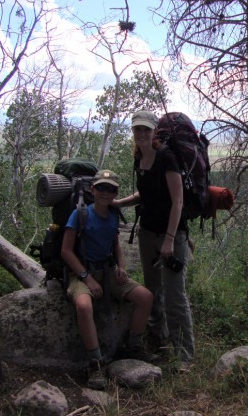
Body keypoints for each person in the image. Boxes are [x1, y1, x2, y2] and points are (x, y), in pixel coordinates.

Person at [61, 169, 158, 389]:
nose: (106, 193)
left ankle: (133, 347)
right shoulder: (80, 214)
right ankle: (95, 363)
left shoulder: (113, 215)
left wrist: (121, 267)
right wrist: (87, 279)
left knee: (145, 297)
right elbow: (66, 251)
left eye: (111, 189)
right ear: (92, 190)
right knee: (84, 306)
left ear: (116, 193)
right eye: (102, 188)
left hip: (109, 271)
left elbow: (115, 245)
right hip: (82, 273)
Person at [114, 110, 194, 373]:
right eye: (137, 129)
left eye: (146, 129)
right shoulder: (140, 157)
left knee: (174, 295)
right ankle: (159, 343)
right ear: (133, 132)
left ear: (154, 132)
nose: (142, 134)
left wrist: (170, 240)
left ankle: (184, 356)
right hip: (147, 233)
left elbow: (178, 201)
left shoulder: (166, 157)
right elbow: (145, 192)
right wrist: (120, 202)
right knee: (153, 292)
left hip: (171, 235)